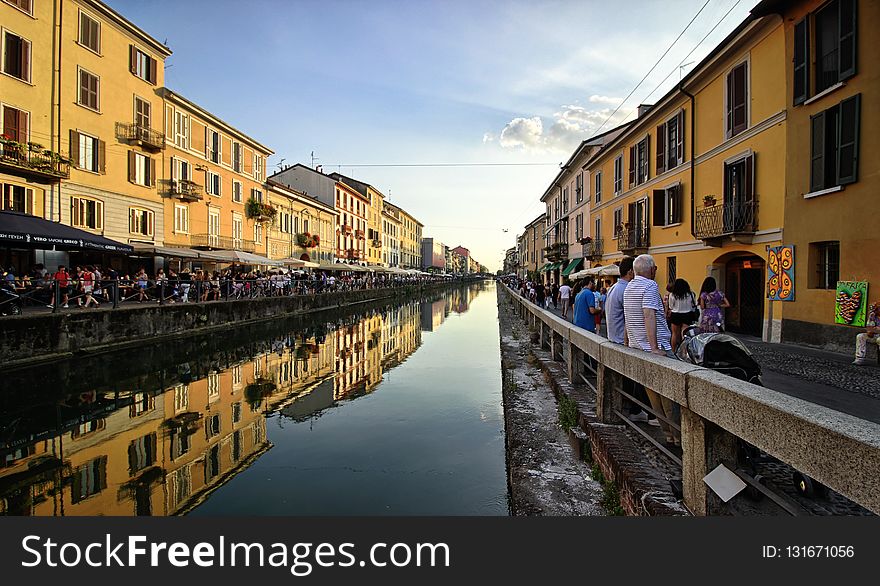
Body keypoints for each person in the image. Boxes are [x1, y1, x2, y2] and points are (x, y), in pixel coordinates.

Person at [623, 254, 679, 446]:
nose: (656, 270)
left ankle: (669, 434)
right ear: (651, 269)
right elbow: (648, 315)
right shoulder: (650, 286)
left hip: (637, 347)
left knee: (654, 395)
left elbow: (628, 317)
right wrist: (655, 347)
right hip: (656, 347)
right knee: (672, 394)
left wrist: (627, 341)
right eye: (655, 267)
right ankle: (679, 436)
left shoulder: (629, 287)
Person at [667, 278, 698, 351]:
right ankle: (684, 350)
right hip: (687, 315)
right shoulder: (691, 294)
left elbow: (671, 306)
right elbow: (693, 305)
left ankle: (673, 350)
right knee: (684, 333)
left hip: (676, 314)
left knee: (674, 334)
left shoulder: (672, 295)